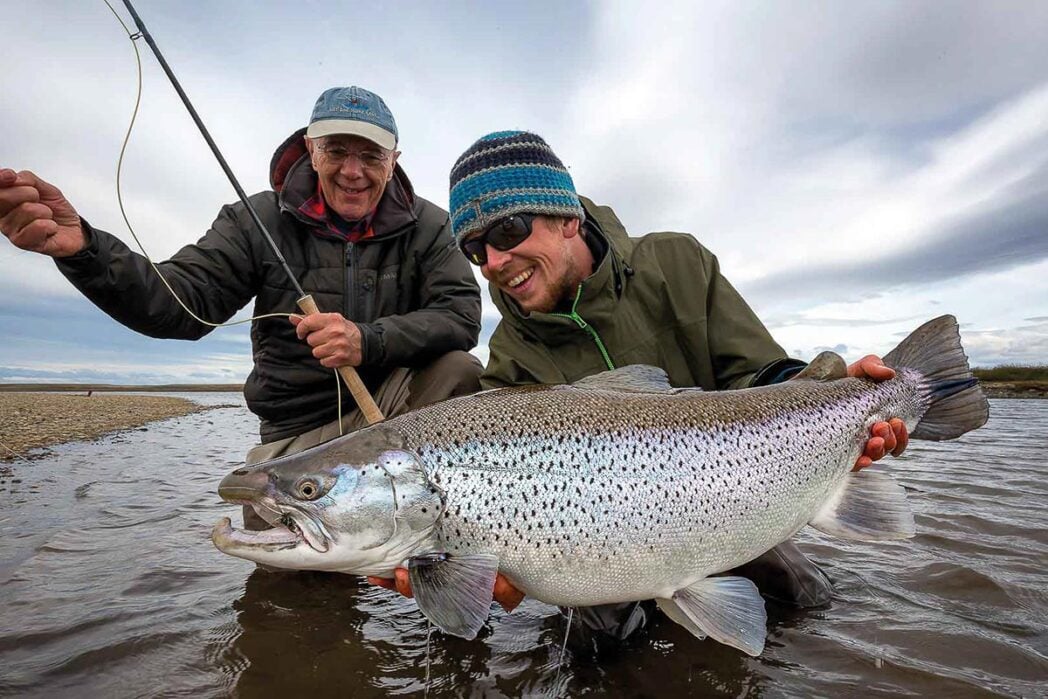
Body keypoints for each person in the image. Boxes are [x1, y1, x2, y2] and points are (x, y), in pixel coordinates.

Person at [371, 130, 909, 641]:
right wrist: (480, 576)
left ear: (566, 218)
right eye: (475, 249)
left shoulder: (676, 263)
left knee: (805, 603)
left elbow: (759, 374)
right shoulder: (511, 353)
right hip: (592, 546)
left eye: (508, 231)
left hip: (732, 498)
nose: (493, 262)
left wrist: (843, 399)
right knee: (595, 653)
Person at [0, 86, 483, 477]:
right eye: (336, 150)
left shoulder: (432, 226)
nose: (353, 171)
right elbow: (177, 306)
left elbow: (460, 317)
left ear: (394, 158)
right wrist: (84, 249)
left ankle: (444, 523)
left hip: (399, 424)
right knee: (290, 590)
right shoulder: (255, 219)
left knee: (457, 368)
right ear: (312, 151)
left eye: (371, 155)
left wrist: (367, 341)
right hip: (296, 436)